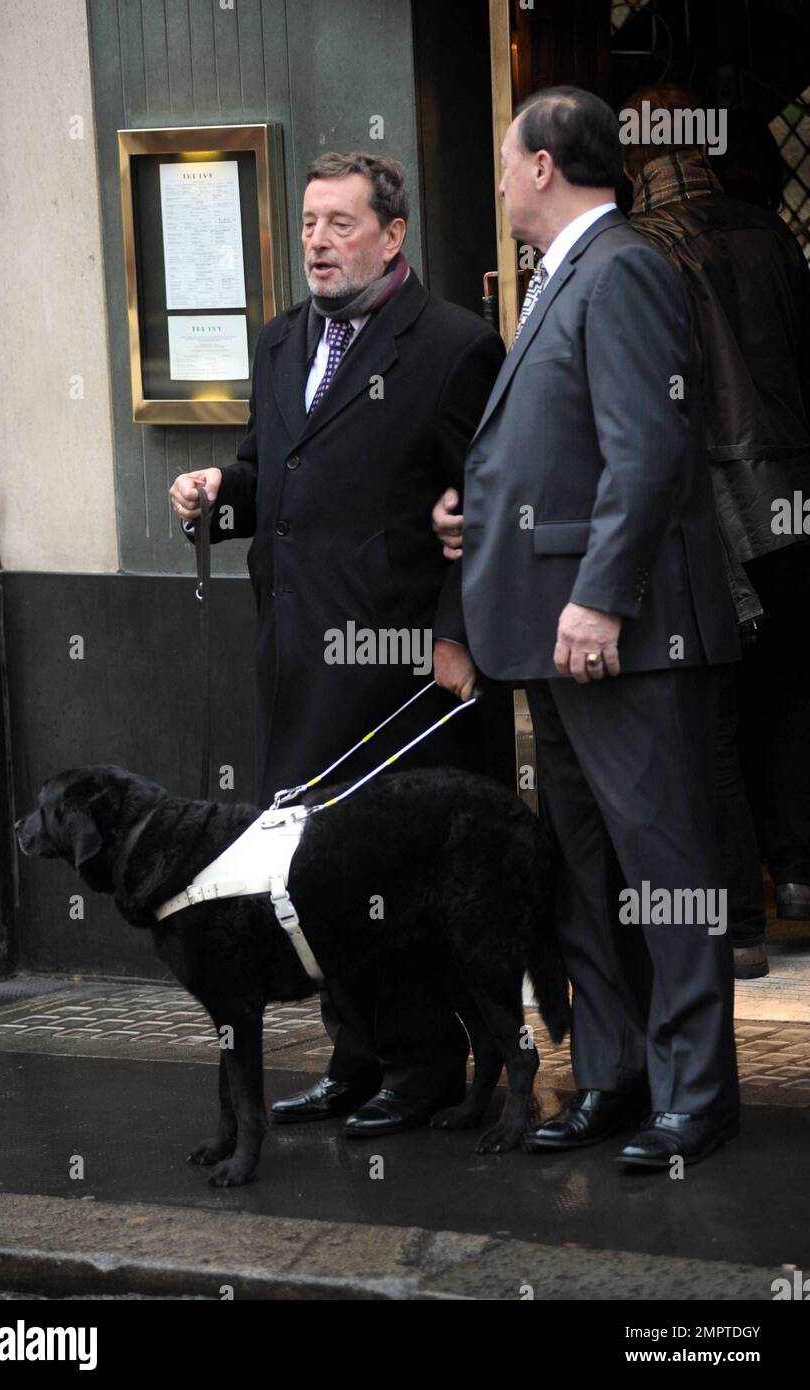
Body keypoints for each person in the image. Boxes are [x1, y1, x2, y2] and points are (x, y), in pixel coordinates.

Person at [170, 152, 509, 1138]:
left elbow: (483, 513)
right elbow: (267, 472)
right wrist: (219, 494)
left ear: (392, 235)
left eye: (341, 223)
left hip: (397, 672)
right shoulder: (280, 344)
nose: (318, 240)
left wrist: (456, 633)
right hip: (293, 660)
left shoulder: (452, 347)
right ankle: (354, 1058)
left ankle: (426, 1063)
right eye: (311, 221)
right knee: (311, 873)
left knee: (387, 875)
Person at [433, 86, 740, 1168]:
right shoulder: (572, 275)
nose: (503, 176)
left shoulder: (622, 272)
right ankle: (614, 1075)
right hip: (554, 636)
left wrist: (601, 594)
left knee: (663, 868)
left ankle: (695, 1095)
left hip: (622, 633)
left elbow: (647, 451)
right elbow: (563, 450)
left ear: (545, 167)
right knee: (584, 871)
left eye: (510, 158)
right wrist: (476, 515)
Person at [624, 84, 810, 977]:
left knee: (720, 714)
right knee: (793, 691)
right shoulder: (771, 231)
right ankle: (803, 873)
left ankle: (739, 922)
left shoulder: (650, 249)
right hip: (796, 490)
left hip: (721, 503)